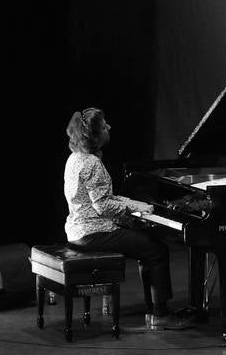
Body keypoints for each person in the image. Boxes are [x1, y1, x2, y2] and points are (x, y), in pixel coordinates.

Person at [64, 107, 188, 330]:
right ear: (93, 135)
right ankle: (160, 314)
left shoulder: (75, 158)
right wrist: (135, 206)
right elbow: (103, 206)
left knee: (146, 245)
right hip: (94, 233)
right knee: (156, 250)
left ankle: (153, 310)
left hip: (76, 230)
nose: (109, 127)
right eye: (104, 126)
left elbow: (104, 197)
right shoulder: (92, 163)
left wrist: (137, 205)